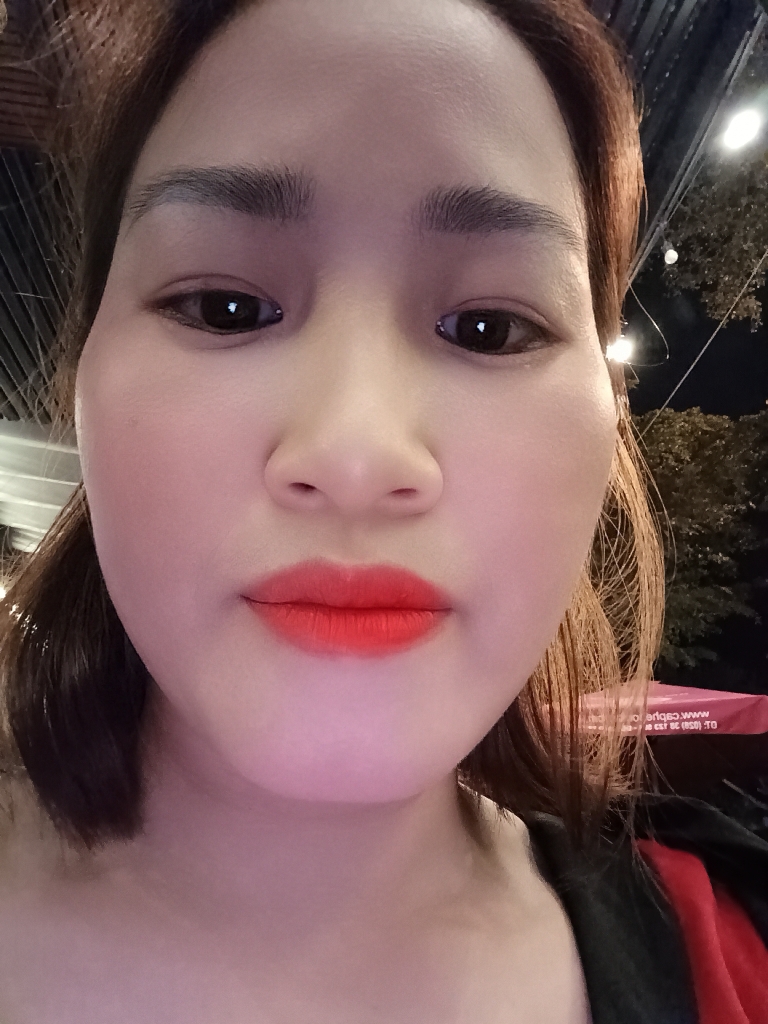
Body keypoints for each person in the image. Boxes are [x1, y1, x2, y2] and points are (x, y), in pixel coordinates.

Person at [0, 0, 765, 1021]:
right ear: (82, 380)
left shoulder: (738, 962)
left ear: (609, 418)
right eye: (226, 308)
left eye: (488, 328)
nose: (355, 455)